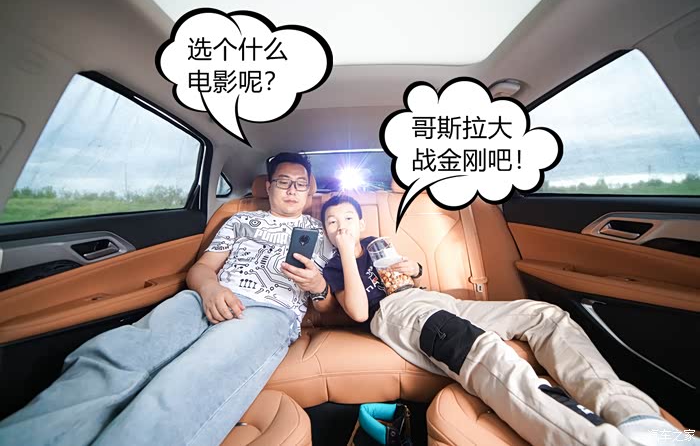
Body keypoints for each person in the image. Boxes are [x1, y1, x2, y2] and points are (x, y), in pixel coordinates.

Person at [0, 152, 335, 446]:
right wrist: (210, 289)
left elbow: (330, 307)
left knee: (190, 376)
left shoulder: (324, 232)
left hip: (268, 311)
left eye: (300, 184)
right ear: (268, 187)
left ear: (310, 190)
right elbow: (202, 268)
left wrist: (317, 284)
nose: (291, 190)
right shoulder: (240, 220)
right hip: (204, 298)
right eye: (283, 182)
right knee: (119, 354)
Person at [319, 194, 697, 446]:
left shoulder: (377, 243)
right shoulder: (336, 264)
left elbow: (410, 276)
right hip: (394, 312)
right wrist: (346, 252)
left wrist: (414, 267)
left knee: (545, 314)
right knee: (481, 348)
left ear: (362, 220)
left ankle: (637, 419)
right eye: (333, 222)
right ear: (327, 231)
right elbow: (359, 312)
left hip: (431, 297)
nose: (342, 225)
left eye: (349, 217)